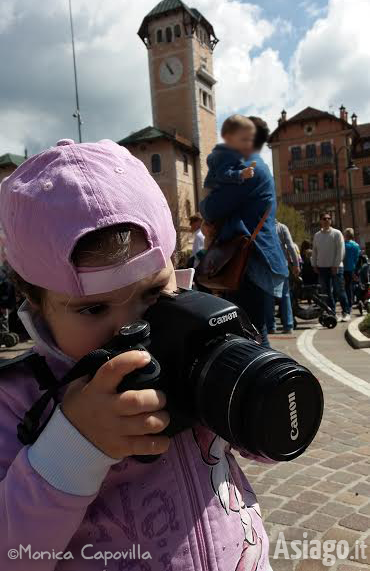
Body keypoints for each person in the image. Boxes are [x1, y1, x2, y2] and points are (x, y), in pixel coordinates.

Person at [0, 138, 273, 570]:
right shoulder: (17, 401)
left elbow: (259, 445)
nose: (132, 329)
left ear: (173, 268)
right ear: (37, 307)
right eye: (93, 308)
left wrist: (258, 394)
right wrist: (71, 447)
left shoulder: (190, 348)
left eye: (151, 293)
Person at [200, 115, 288, 348]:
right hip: (253, 262)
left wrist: (204, 204)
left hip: (251, 263)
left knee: (252, 334)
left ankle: (268, 382)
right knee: (254, 332)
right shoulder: (254, 169)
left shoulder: (250, 170)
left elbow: (211, 207)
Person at [312, 212, 350, 322]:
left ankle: (346, 312)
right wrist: (314, 264)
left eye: (329, 218)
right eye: (324, 218)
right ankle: (332, 313)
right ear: (320, 221)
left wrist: (336, 265)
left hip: (336, 267)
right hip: (322, 267)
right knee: (326, 293)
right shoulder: (317, 235)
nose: (327, 220)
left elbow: (341, 250)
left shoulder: (337, 233)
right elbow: (314, 251)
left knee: (339, 290)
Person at [265, 220, 300, 334]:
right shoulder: (282, 227)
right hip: (282, 265)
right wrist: (296, 264)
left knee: (269, 297)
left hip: (268, 265)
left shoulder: (263, 227)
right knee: (285, 296)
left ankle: (271, 326)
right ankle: (288, 325)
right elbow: (290, 246)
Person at [343, 228, 361, 308]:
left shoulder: (344, 245)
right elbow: (357, 258)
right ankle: (354, 301)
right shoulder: (356, 245)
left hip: (345, 268)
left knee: (346, 286)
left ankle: (348, 303)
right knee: (352, 285)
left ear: (345, 235)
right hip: (353, 267)